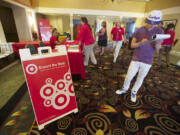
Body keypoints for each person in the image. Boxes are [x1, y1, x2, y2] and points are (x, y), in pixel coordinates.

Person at [115, 10, 164, 102]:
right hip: (136, 58)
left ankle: (134, 91)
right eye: (150, 23)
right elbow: (132, 45)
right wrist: (141, 43)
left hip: (148, 60)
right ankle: (125, 88)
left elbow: (157, 50)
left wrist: (158, 44)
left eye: (155, 23)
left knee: (140, 78)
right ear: (146, 20)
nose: (152, 25)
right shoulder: (139, 30)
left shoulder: (159, 31)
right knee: (129, 76)